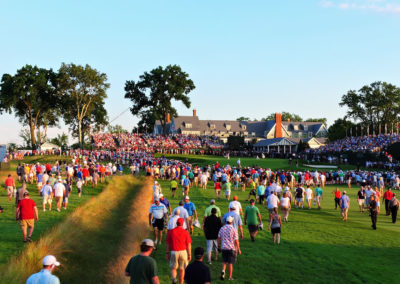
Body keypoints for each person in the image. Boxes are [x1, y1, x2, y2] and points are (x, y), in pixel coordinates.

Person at [166, 218, 192, 284]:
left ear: (176, 223)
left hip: (174, 252)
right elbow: (189, 245)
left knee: (173, 268)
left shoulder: (171, 231)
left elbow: (168, 244)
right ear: (182, 224)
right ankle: (181, 282)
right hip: (183, 252)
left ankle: (174, 279)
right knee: (182, 269)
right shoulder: (185, 232)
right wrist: (189, 254)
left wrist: (167, 253)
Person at [218, 216, 241, 281]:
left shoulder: (222, 228)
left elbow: (219, 238)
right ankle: (230, 277)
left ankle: (223, 271)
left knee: (224, 261)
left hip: (224, 247)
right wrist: (238, 249)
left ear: (226, 221)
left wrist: (218, 245)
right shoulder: (234, 229)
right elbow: (236, 241)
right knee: (230, 263)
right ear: (232, 221)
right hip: (231, 248)